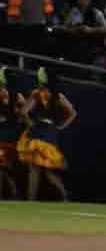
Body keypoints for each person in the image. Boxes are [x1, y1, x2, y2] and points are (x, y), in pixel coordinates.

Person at [19, 68, 76, 202]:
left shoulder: (37, 93)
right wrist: (61, 127)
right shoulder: (58, 96)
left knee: (34, 168)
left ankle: (31, 198)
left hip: (38, 131)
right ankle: (65, 195)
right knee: (46, 169)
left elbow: (23, 112)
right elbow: (73, 113)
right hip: (51, 132)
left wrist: (31, 124)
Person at [0, 68, 22, 199]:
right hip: (11, 135)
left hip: (6, 136)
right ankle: (13, 191)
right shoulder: (17, 96)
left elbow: (23, 113)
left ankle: (13, 191)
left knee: (4, 166)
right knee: (3, 166)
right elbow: (23, 113)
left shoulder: (13, 96)